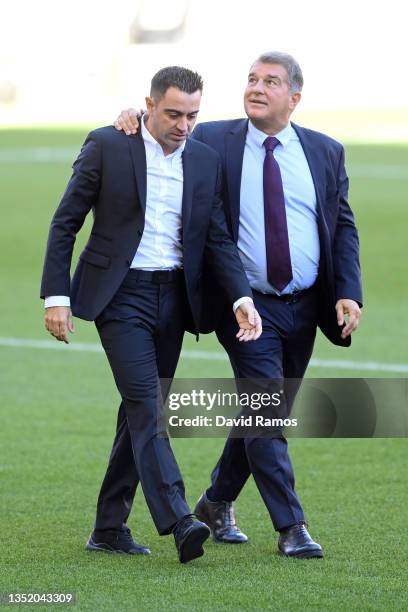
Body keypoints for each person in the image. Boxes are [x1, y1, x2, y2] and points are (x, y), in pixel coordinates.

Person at [114, 51, 362, 559]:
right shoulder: (210, 139)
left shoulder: (325, 151)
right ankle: (292, 527)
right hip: (244, 305)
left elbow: (342, 226)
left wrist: (348, 291)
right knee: (266, 411)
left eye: (270, 81)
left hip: (307, 304)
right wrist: (131, 117)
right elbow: (162, 127)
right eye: (251, 78)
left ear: (293, 97)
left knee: (266, 412)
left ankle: (217, 500)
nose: (256, 87)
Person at [40, 66, 263, 564]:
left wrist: (240, 296)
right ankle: (181, 518)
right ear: (148, 104)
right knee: (149, 405)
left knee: (138, 410)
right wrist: (56, 296)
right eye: (173, 114)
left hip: (175, 298)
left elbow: (219, 237)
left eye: (193, 115)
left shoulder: (204, 160)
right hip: (119, 297)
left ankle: (109, 527)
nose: (184, 124)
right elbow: (65, 223)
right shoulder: (108, 145)